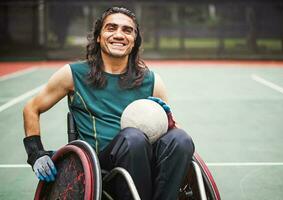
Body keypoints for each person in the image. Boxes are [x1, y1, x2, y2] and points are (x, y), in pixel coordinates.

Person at [23, 6, 194, 200]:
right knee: (133, 138)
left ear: (134, 41)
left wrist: (169, 121)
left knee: (181, 140)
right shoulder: (74, 74)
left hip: (146, 162)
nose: (119, 34)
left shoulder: (152, 81)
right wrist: (35, 153)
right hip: (100, 166)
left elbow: (169, 133)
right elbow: (32, 108)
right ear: (98, 36)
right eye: (111, 28)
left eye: (127, 30)